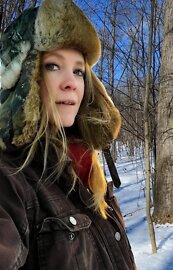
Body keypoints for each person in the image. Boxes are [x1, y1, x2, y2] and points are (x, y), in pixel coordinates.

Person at [0, 0, 136, 269]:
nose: (71, 82)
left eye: (78, 70)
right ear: (25, 78)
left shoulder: (89, 170)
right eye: (53, 66)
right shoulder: (11, 181)